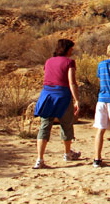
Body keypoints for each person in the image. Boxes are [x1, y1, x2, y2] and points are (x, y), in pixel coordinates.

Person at [33, 38, 81, 168]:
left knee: (44, 126)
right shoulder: (69, 62)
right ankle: (67, 153)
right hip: (62, 96)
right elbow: (71, 82)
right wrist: (76, 99)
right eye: (71, 49)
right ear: (66, 49)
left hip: (47, 96)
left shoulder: (48, 61)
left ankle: (40, 159)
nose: (72, 51)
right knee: (66, 125)